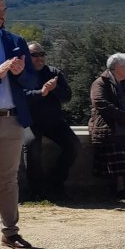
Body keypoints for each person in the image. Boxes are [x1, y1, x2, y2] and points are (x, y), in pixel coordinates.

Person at [0, 0, 35, 249]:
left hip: (12, 120)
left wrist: (19, 73)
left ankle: (10, 233)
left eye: (3, 9)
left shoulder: (15, 41)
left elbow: (32, 79)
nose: (1, 14)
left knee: (9, 178)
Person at [22, 42, 80, 201]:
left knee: (73, 144)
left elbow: (67, 97)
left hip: (54, 121)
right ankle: (36, 190)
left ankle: (56, 182)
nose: (40, 58)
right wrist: (42, 92)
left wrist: (55, 89)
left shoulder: (54, 73)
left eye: (42, 54)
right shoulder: (22, 73)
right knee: (32, 146)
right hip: (30, 122)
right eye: (35, 55)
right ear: (26, 57)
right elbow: (22, 97)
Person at [88, 53, 125, 200]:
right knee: (118, 147)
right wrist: (124, 118)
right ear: (117, 68)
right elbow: (101, 103)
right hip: (110, 127)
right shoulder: (100, 83)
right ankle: (120, 189)